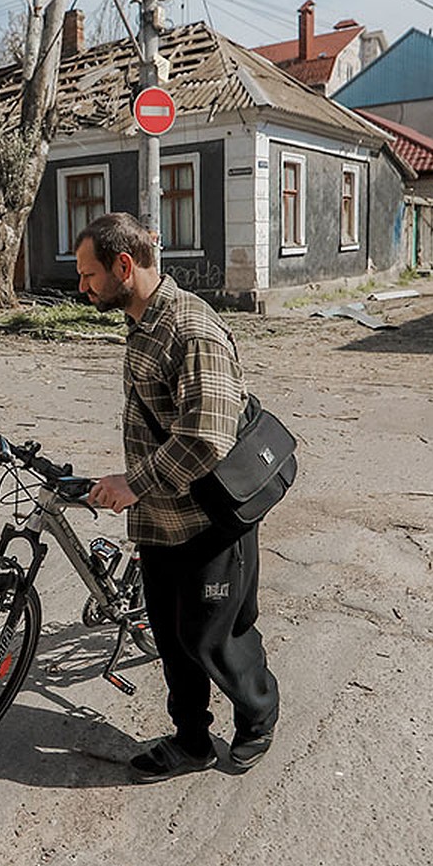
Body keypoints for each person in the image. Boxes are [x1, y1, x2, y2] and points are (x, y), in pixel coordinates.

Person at [77, 212, 279, 782]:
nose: (83, 286)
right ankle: (191, 739)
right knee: (170, 636)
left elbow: (207, 439)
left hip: (211, 519)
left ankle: (258, 716)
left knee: (213, 636)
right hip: (161, 520)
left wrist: (132, 482)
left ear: (124, 266)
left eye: (90, 274)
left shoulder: (192, 330)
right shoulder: (144, 322)